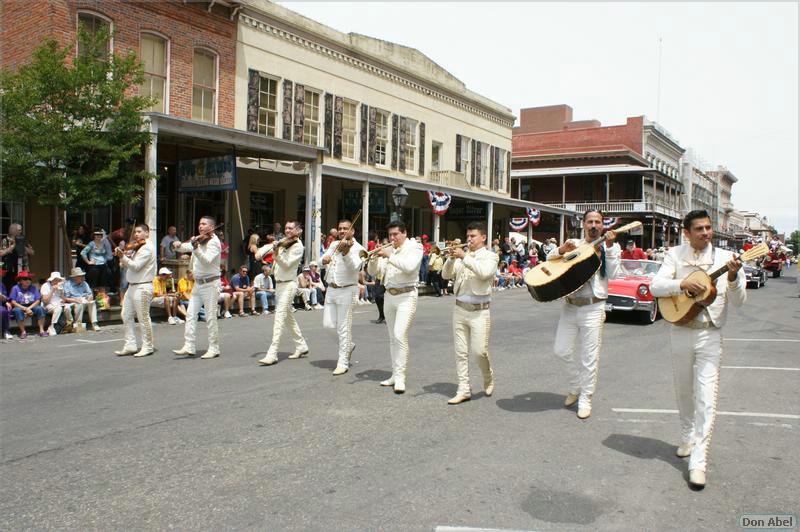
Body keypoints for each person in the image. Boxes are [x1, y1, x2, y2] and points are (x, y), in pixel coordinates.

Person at [650, 209, 746, 490]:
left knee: (705, 395)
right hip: (680, 329)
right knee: (683, 389)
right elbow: (656, 286)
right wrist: (682, 283)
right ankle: (687, 435)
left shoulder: (726, 259)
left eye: (708, 228)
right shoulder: (674, 255)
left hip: (710, 334)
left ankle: (699, 461)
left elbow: (739, 302)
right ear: (687, 233)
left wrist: (732, 279)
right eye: (700, 229)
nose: (706, 233)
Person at [548, 209, 621, 420]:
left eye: (598, 222)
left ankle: (585, 398)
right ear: (584, 224)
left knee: (589, 357)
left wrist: (609, 248)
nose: (594, 225)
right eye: (590, 221)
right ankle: (575, 385)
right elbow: (550, 260)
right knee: (560, 350)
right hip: (570, 306)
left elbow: (615, 274)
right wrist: (560, 249)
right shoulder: (574, 243)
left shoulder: (610, 246)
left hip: (593, 307)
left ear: (603, 225)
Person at [441, 222, 499, 404]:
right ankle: (464, 389)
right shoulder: (462, 257)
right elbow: (445, 276)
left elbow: (484, 273)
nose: (469, 239)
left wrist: (464, 256)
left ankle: (487, 374)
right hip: (459, 309)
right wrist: (450, 259)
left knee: (479, 352)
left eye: (473, 236)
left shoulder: (491, 256)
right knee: (460, 352)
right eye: (468, 236)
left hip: (480, 312)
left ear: (483, 237)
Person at [367, 221, 423, 394]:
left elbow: (409, 267)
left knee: (400, 335)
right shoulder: (390, 250)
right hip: (389, 296)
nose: (392, 238)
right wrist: (374, 258)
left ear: (404, 233)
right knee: (392, 338)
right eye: (390, 235)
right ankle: (394, 374)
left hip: (407, 295)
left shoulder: (415, 247)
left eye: (396, 234)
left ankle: (400, 377)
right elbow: (372, 272)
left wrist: (389, 255)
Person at [255, 220, 308, 366]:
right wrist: (260, 251)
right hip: (278, 284)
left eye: (291, 228)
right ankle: (301, 345)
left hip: (289, 284)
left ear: (298, 230)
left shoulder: (298, 246)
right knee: (288, 317)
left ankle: (272, 353)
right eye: (286, 228)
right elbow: (262, 251)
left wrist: (276, 252)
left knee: (279, 317)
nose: (288, 231)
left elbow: (286, 264)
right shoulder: (283, 242)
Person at [171, 216, 223, 359]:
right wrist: (178, 245)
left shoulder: (214, 243)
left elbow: (206, 261)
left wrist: (196, 248)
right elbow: (186, 246)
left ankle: (214, 348)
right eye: (199, 223)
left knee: (210, 317)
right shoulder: (199, 240)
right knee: (190, 314)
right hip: (198, 283)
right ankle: (189, 345)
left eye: (204, 224)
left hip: (210, 284)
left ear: (211, 227)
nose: (200, 226)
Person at [320, 217, 364, 375]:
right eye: (340, 228)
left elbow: (355, 268)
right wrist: (323, 260)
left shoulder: (358, 248)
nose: (342, 231)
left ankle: (343, 361)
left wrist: (346, 253)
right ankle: (348, 346)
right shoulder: (333, 244)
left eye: (346, 228)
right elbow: (321, 261)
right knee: (328, 325)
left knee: (344, 327)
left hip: (347, 290)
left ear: (352, 231)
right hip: (331, 288)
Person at [114, 224, 157, 357]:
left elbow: (136, 266)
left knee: (143, 317)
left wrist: (123, 257)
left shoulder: (147, 248)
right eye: (136, 232)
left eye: (139, 232)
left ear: (147, 233)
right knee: (126, 315)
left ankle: (148, 346)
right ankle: (130, 345)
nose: (136, 234)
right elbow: (128, 264)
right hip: (132, 286)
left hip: (143, 286)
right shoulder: (139, 247)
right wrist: (124, 258)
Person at [9, 271, 47, 338]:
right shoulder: (15, 288)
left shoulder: (33, 287)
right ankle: (23, 332)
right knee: (17, 310)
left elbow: (38, 300)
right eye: (25, 279)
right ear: (20, 281)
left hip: (31, 306)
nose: (28, 280)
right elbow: (13, 302)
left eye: (29, 279)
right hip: (20, 306)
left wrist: (29, 308)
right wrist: (25, 309)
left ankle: (42, 330)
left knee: (40, 308)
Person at [63, 267, 100, 332]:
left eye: (82, 275)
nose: (82, 277)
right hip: (73, 301)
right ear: (74, 277)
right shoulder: (68, 284)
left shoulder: (84, 283)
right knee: (79, 304)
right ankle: (78, 324)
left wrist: (89, 298)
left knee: (92, 303)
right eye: (80, 276)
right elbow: (65, 298)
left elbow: (90, 294)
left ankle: (94, 324)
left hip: (84, 300)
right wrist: (75, 300)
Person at [1, 223, 35, 292]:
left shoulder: (23, 239)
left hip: (23, 268)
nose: (21, 231)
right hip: (10, 269)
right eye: (19, 230)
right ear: (12, 230)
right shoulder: (5, 241)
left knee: (23, 287)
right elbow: (1, 253)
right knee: (9, 288)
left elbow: (32, 252)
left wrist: (23, 246)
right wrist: (13, 246)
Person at [41, 271, 66, 336]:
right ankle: (52, 326)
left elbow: (64, 300)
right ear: (52, 280)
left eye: (58, 280)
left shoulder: (60, 286)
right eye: (55, 280)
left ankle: (70, 326)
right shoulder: (45, 286)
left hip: (59, 304)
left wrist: (62, 292)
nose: (57, 282)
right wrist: (52, 290)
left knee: (68, 308)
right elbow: (45, 301)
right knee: (58, 309)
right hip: (49, 305)